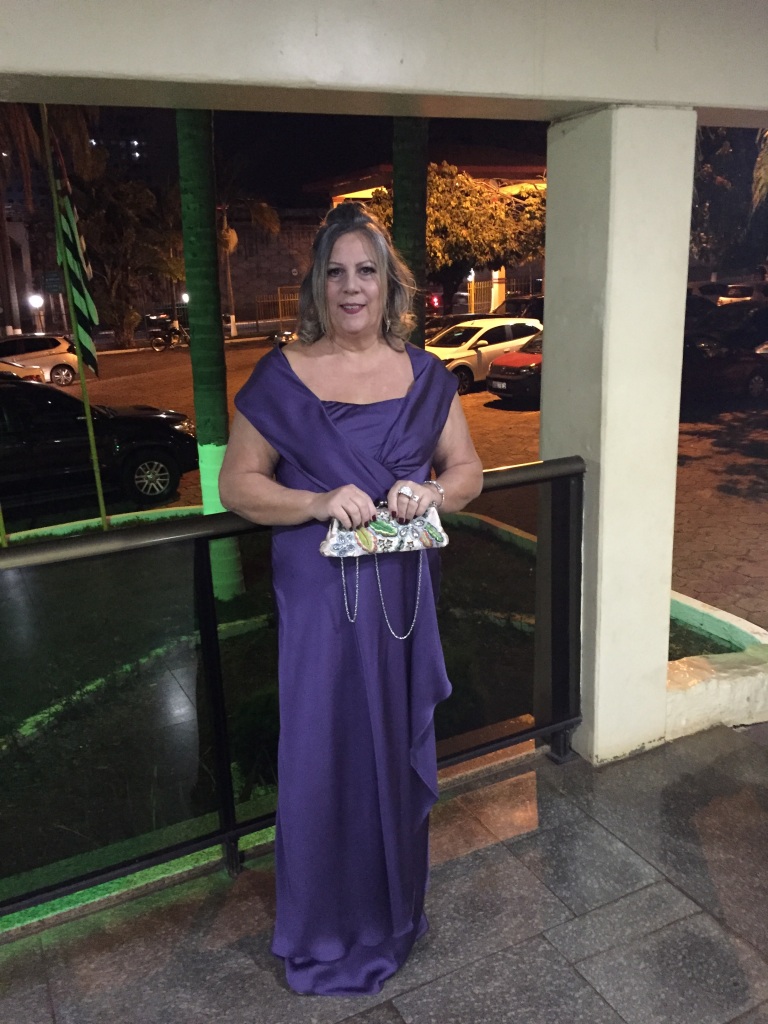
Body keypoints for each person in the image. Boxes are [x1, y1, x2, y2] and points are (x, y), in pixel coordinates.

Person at [218, 202, 483, 996]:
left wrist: (430, 492)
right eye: (335, 272)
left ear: (389, 284)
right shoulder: (282, 376)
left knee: (392, 753)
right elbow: (238, 485)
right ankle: (325, 931)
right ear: (317, 285)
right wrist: (314, 501)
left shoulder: (426, 376)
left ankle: (393, 917)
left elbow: (467, 472)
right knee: (322, 756)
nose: (351, 286)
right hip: (320, 607)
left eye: (366, 270)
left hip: (401, 604)